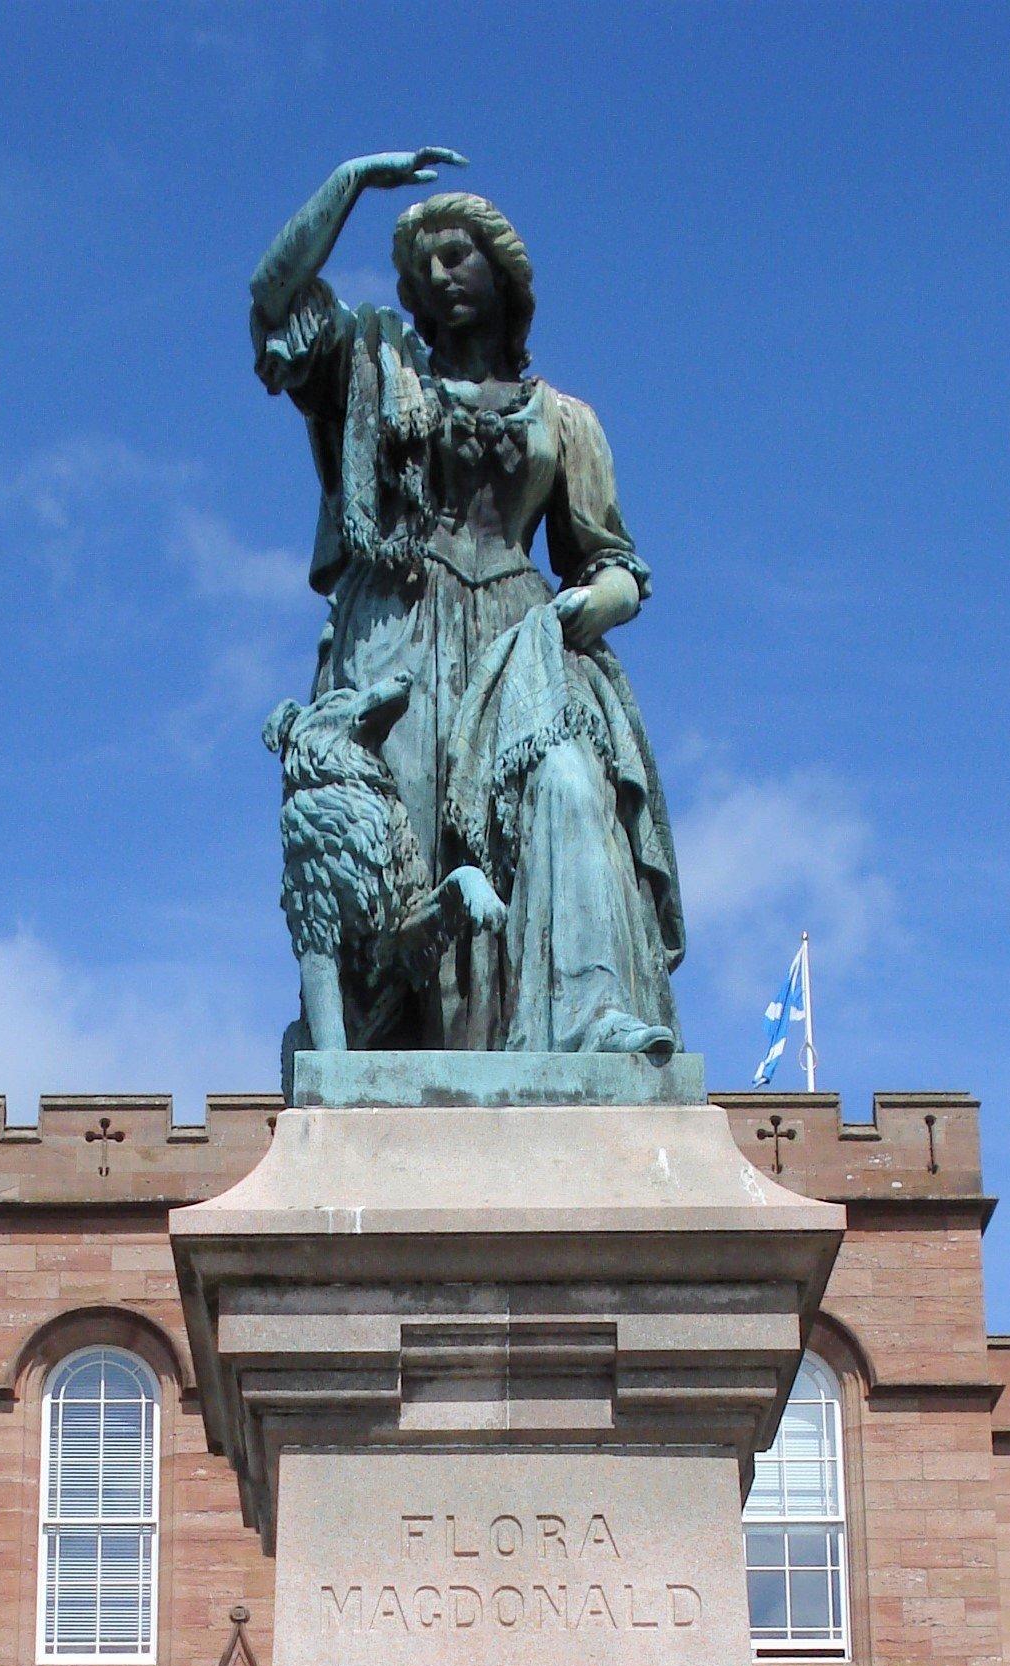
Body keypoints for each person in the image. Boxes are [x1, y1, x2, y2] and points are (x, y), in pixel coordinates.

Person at [249, 149, 684, 1058]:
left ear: (502, 275)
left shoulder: (564, 418)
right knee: (390, 847)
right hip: (398, 637)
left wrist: (603, 600)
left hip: (523, 640)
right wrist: (352, 182)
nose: (440, 273)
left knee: (569, 786)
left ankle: (587, 1017)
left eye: (459, 255)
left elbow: (610, 560)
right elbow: (274, 299)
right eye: (424, 263)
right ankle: (382, 1056)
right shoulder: (373, 363)